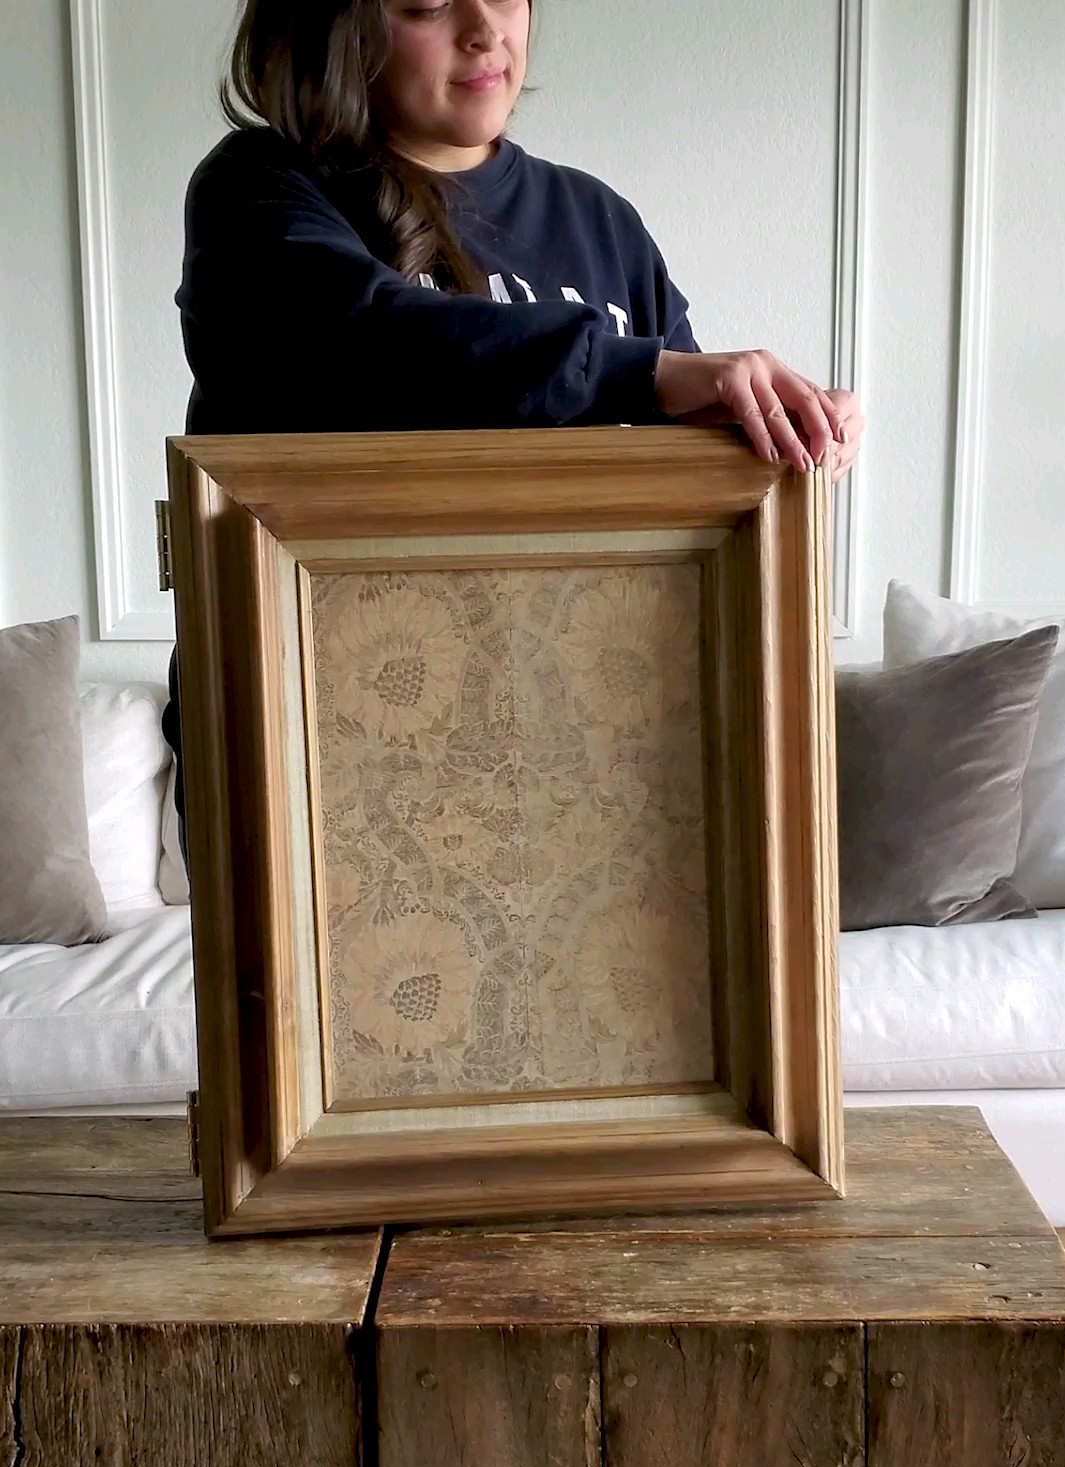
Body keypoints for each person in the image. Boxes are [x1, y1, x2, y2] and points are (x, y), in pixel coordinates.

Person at [162, 0, 866, 847]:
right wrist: (638, 370)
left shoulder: (599, 221)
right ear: (339, 25)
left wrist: (785, 431)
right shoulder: (259, 186)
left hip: (567, 757)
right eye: (427, 4)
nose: (485, 29)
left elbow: (686, 492)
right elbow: (372, 338)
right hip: (307, 742)